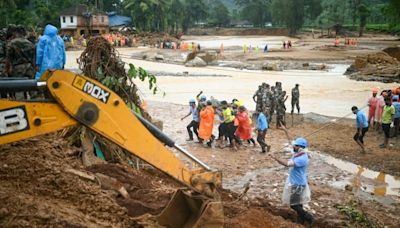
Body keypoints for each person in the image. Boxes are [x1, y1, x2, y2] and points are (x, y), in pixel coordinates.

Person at [269, 126, 314, 226]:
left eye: (295, 146)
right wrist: (285, 130)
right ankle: (301, 220)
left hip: (297, 183)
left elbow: (287, 164)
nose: (293, 147)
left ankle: (308, 217)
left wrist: (274, 157)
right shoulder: (299, 152)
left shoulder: (302, 158)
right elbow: (291, 141)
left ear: (300, 147)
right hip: (298, 182)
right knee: (298, 203)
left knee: (293, 205)